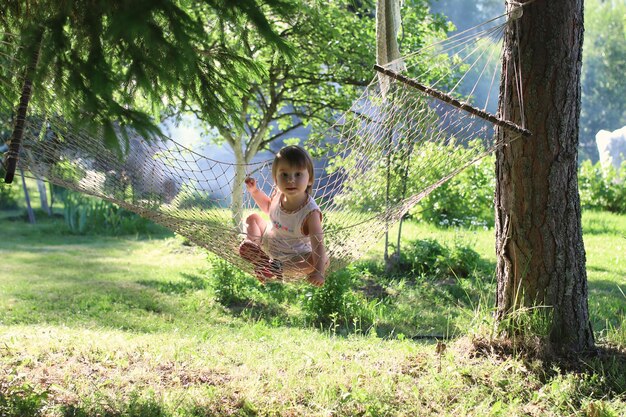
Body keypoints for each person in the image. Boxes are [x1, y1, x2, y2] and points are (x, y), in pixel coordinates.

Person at [239, 145, 328, 286]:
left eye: (298, 174)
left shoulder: (310, 213)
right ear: (276, 179)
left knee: (317, 261)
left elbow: (318, 245)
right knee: (252, 218)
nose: (291, 180)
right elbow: (269, 208)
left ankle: (273, 268)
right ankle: (253, 247)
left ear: (310, 179)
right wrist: (254, 191)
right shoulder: (278, 194)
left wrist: (319, 271)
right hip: (269, 241)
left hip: (293, 256)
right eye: (284, 175)